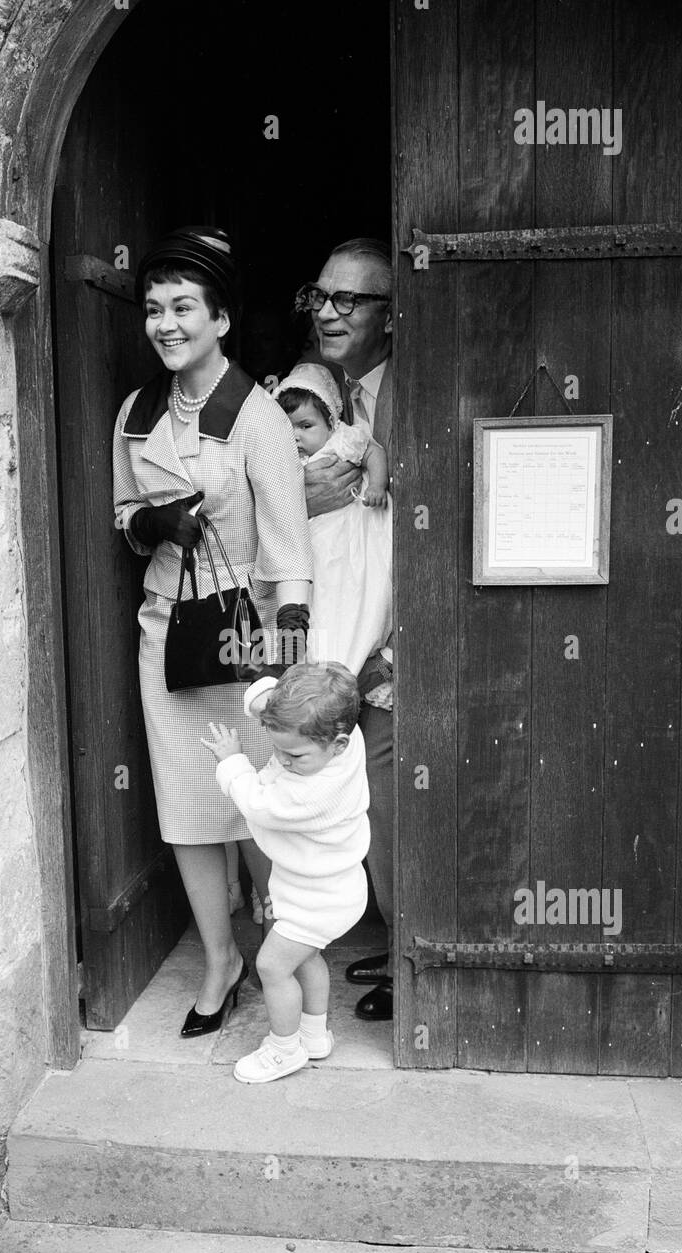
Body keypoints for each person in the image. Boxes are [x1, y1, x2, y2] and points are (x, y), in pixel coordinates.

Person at [113, 226, 313, 1038]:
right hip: (168, 631)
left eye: (183, 307)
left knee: (262, 807)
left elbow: (291, 549)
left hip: (246, 632)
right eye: (155, 308)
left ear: (221, 319)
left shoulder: (257, 415)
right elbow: (123, 520)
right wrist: (152, 523)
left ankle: (285, 953)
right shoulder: (136, 413)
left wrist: (287, 662)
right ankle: (220, 960)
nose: (166, 323)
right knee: (192, 809)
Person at [294, 239, 395, 1021]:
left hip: (402, 622)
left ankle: (415, 954)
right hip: (337, 618)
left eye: (349, 300)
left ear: (391, 317)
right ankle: (374, 940)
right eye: (320, 296)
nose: (327, 311)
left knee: (396, 788)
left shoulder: (413, 390)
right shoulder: (307, 396)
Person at [202, 664, 370, 1082]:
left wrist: (233, 761)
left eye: (294, 755)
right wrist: (265, 702)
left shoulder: (311, 791)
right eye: (276, 749)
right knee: (306, 958)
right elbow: (268, 698)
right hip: (323, 887)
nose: (282, 760)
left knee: (273, 966)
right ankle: (313, 1036)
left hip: (321, 897)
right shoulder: (341, 736)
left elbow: (258, 804)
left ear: (338, 742)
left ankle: (283, 1049)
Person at [272, 361, 391, 677]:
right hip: (314, 545)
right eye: (287, 427)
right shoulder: (281, 457)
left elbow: (373, 452)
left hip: (349, 535)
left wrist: (378, 485)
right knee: (317, 599)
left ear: (331, 422)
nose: (295, 435)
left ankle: (356, 656)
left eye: (306, 426)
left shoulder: (342, 440)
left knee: (355, 590)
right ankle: (318, 663)